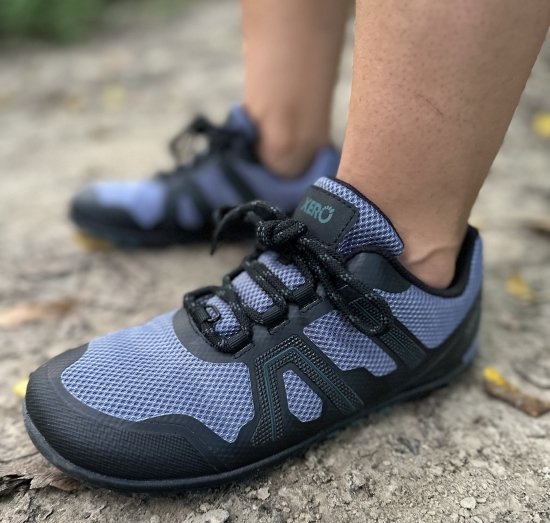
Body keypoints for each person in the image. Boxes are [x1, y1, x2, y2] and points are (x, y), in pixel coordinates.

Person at [23, 1, 550, 492]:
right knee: (290, 151)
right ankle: (278, 149)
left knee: (392, 222)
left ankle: (407, 250)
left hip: (393, 292)